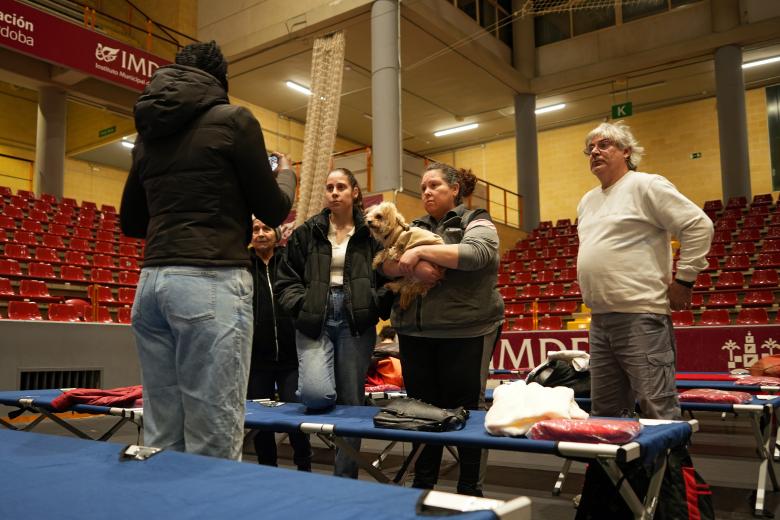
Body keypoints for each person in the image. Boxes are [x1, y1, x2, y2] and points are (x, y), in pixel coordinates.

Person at [119, 40, 297, 460]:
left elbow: (130, 222)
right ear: (221, 80)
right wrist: (288, 177)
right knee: (214, 439)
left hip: (152, 287)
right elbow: (272, 209)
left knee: (161, 437)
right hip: (210, 283)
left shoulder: (148, 132)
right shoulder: (234, 120)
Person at [577, 121, 713, 420]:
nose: (595, 152)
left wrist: (685, 280)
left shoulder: (646, 185)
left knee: (658, 408)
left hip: (641, 316)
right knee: (606, 414)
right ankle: (619, 469)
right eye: (590, 149)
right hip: (600, 321)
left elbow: (698, 225)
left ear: (627, 151)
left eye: (604, 145)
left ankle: (673, 468)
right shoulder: (587, 201)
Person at [383, 162, 504, 497]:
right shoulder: (415, 225)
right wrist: (416, 265)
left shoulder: (475, 219)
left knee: (468, 411)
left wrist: (420, 251)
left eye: (434, 185)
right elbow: (385, 263)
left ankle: (469, 489)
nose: (426, 192)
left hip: (466, 331)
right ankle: (423, 485)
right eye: (422, 187)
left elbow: (477, 253)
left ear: (454, 190)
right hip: (415, 333)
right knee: (420, 411)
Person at [276, 168, 389, 478]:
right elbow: (286, 280)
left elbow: (389, 276)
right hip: (315, 317)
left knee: (351, 401)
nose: (334, 192)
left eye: (341, 186)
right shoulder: (306, 232)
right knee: (315, 393)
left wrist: (374, 306)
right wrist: (303, 306)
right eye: (329, 187)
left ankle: (345, 476)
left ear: (354, 192)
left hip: (356, 321)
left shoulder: (372, 233)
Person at [247, 217, 312, 471]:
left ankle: (304, 467)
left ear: (276, 233)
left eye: (266, 229)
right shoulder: (242, 264)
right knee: (261, 421)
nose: (261, 234)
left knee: (296, 418)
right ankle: (267, 469)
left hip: (291, 357)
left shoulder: (290, 260)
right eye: (255, 230)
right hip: (256, 358)